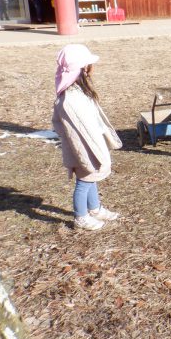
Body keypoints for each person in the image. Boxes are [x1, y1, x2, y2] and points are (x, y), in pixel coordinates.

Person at [52, 44, 122, 230]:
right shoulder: (70, 100)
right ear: (82, 69)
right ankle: (81, 216)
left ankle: (94, 208)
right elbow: (78, 130)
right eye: (89, 65)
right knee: (84, 181)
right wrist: (94, 150)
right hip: (83, 147)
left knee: (91, 177)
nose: (92, 68)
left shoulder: (79, 92)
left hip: (90, 144)